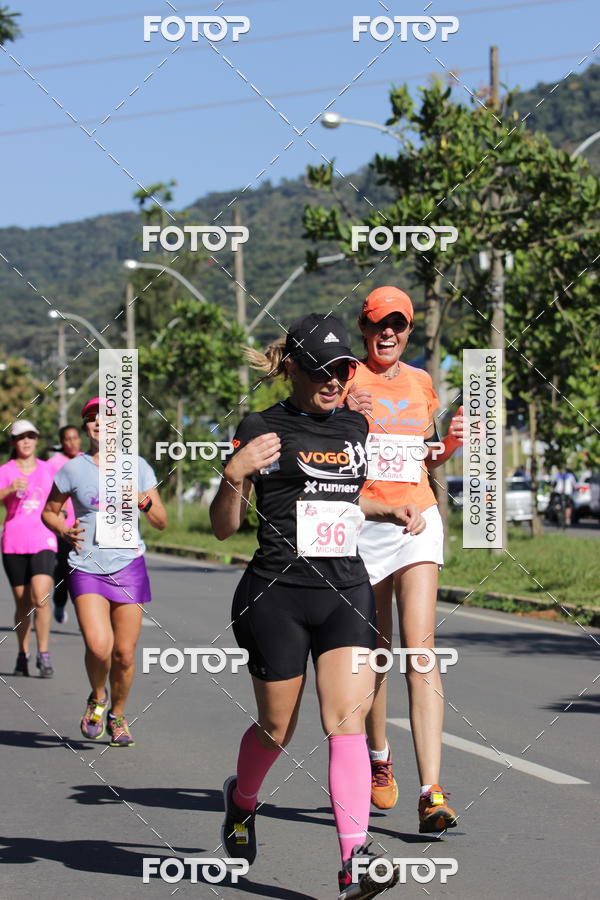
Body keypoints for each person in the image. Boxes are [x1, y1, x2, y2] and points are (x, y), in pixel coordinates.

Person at [210, 314, 426, 899]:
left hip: (345, 591)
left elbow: (344, 502)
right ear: (295, 369)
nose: (335, 380)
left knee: (345, 721)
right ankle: (242, 799)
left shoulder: (356, 427)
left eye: (343, 369)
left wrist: (388, 510)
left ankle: (354, 861)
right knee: (278, 728)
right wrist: (234, 473)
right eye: (323, 370)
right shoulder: (261, 427)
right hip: (276, 593)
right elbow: (224, 529)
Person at [345, 286, 465, 834]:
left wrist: (453, 447)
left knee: (421, 647)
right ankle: (378, 753)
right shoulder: (346, 378)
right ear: (364, 330)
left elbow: (426, 454)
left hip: (416, 517)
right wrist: (345, 411)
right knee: (377, 649)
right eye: (377, 325)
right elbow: (327, 449)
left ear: (409, 330)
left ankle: (431, 791)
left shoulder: (421, 383)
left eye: (398, 324)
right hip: (366, 524)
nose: (387, 333)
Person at [42, 398, 167, 747]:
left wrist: (143, 502)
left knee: (124, 654)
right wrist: (64, 531)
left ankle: (118, 715)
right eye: (92, 419)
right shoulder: (72, 470)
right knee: (99, 647)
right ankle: (97, 698)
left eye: (107, 419)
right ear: (86, 428)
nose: (100, 423)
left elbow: (160, 521)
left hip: (129, 566)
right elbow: (49, 512)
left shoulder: (137, 466)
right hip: (87, 566)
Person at [0, 420, 57, 678]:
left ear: (36, 440)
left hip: (43, 538)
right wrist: (10, 489)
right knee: (23, 603)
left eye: (31, 436)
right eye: (21, 437)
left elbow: (61, 498)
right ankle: (23, 654)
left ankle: (43, 654)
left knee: (41, 598)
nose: (26, 441)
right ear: (13, 442)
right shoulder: (5, 470)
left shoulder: (48, 469)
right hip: (14, 541)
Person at [46, 424, 83, 624]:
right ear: (62, 443)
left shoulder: (87, 460)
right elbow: (47, 493)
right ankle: (60, 602)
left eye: (75, 438)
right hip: (63, 529)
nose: (72, 442)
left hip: (86, 527)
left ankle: (88, 616)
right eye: (67, 439)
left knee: (85, 572)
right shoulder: (53, 463)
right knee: (64, 571)